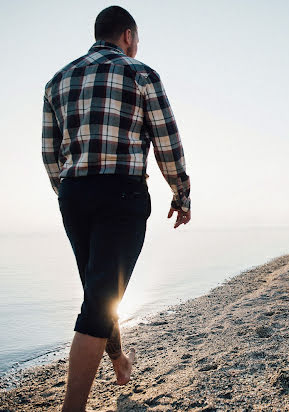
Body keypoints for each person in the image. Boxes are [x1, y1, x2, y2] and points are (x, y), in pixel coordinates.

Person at [41, 6, 191, 411]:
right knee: (100, 296)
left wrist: (67, 193)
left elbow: (49, 153)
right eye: (136, 39)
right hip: (121, 194)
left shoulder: (57, 80)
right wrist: (182, 193)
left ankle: (118, 360)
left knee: (98, 292)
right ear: (127, 35)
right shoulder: (140, 73)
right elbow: (167, 142)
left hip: (73, 195)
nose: (136, 46)